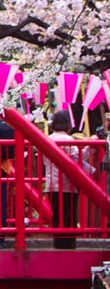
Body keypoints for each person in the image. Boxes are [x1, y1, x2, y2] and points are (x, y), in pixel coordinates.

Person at [47, 107, 81, 249]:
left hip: (52, 183)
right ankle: (69, 244)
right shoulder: (69, 140)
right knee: (69, 214)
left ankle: (58, 243)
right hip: (68, 183)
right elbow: (76, 160)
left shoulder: (47, 139)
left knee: (57, 214)